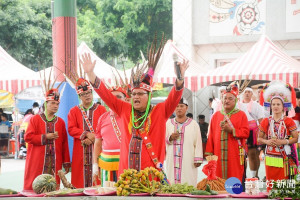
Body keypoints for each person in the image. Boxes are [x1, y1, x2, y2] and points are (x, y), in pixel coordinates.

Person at [81, 38, 188, 175]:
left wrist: (180, 78)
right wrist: (90, 73)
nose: (135, 97)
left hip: (151, 175)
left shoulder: (160, 111)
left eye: (140, 94)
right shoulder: (124, 109)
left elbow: (175, 96)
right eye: (134, 94)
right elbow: (106, 95)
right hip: (128, 174)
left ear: (149, 96)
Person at [23, 88, 71, 190]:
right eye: (53, 103)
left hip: (55, 162)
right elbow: (28, 137)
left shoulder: (60, 122)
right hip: (37, 161)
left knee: (53, 189)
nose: (55, 106)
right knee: (35, 188)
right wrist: (45, 137)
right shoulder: (35, 119)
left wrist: (66, 162)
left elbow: (64, 143)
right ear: (46, 103)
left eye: (57, 104)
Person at [257, 81, 298, 191]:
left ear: (283, 106)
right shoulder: (266, 121)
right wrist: (267, 142)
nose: (275, 106)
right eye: (273, 104)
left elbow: (295, 138)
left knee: (282, 185)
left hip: (284, 155)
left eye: (278, 104)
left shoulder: (289, 121)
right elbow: (259, 138)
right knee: (271, 184)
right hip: (270, 155)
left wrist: (283, 141)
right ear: (270, 106)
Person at [205, 81, 249, 183]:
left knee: (235, 177)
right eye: (225, 98)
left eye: (230, 98)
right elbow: (210, 136)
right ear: (222, 100)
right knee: (218, 181)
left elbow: (246, 133)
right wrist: (209, 155)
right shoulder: (215, 116)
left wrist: (231, 130)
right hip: (218, 154)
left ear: (236, 101)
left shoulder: (241, 115)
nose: (227, 101)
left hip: (235, 154)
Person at [68, 77, 107, 188]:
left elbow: (105, 127)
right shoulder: (73, 111)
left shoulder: (101, 109)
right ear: (79, 96)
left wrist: (94, 137)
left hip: (98, 148)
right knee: (80, 182)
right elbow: (71, 128)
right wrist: (86, 134)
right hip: (81, 149)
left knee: (98, 178)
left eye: (89, 93)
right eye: (84, 94)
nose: (88, 96)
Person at [93, 86, 128, 186]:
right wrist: (95, 165)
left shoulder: (130, 116)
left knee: (125, 194)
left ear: (125, 99)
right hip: (106, 165)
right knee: (107, 193)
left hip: (126, 165)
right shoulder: (102, 118)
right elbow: (98, 143)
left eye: (118, 97)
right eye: (111, 97)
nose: (114, 100)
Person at [165, 98, 203, 187]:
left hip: (188, 159)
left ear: (186, 108)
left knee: (188, 179)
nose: (179, 108)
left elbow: (198, 142)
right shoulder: (168, 123)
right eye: (177, 106)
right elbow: (163, 139)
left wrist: (198, 158)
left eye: (182, 106)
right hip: (172, 158)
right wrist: (170, 138)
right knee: (171, 183)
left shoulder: (194, 124)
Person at [241, 87, 265, 178]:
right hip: (240, 131)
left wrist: (262, 135)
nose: (247, 93)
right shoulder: (237, 104)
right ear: (243, 94)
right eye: (245, 92)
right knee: (241, 155)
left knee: (253, 154)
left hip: (253, 132)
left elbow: (261, 121)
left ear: (252, 94)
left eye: (249, 92)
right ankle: (243, 176)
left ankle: (254, 176)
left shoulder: (256, 105)